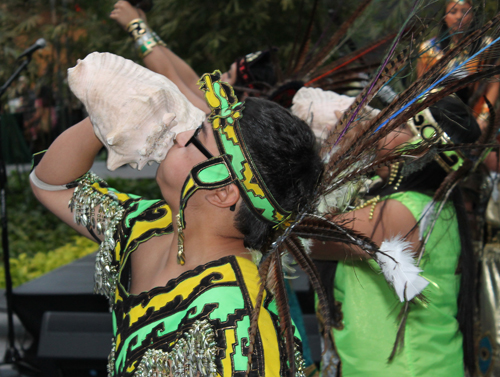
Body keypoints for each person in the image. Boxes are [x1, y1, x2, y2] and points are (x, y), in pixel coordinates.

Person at [30, 66, 322, 376]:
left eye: (198, 136)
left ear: (223, 192)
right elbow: (52, 184)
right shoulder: (146, 225)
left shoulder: (242, 317)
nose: (181, 134)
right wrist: (107, 116)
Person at [310, 96, 480, 376]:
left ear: (417, 149)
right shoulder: (427, 206)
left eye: (397, 123)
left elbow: (297, 235)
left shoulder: (399, 213)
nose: (381, 127)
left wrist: (336, 153)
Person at [109, 0, 278, 112]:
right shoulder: (223, 113)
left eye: (229, 75)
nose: (220, 76)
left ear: (245, 95)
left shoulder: (216, 119)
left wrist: (135, 27)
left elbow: (171, 79)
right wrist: (146, 29)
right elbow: (190, 81)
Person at [416, 0, 499, 129]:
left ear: (472, 15)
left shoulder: (485, 46)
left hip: (473, 118)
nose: (459, 17)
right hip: (438, 116)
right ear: (444, 16)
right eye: (453, 12)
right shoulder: (429, 49)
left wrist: (484, 118)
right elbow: (422, 87)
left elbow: (494, 82)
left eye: (465, 12)